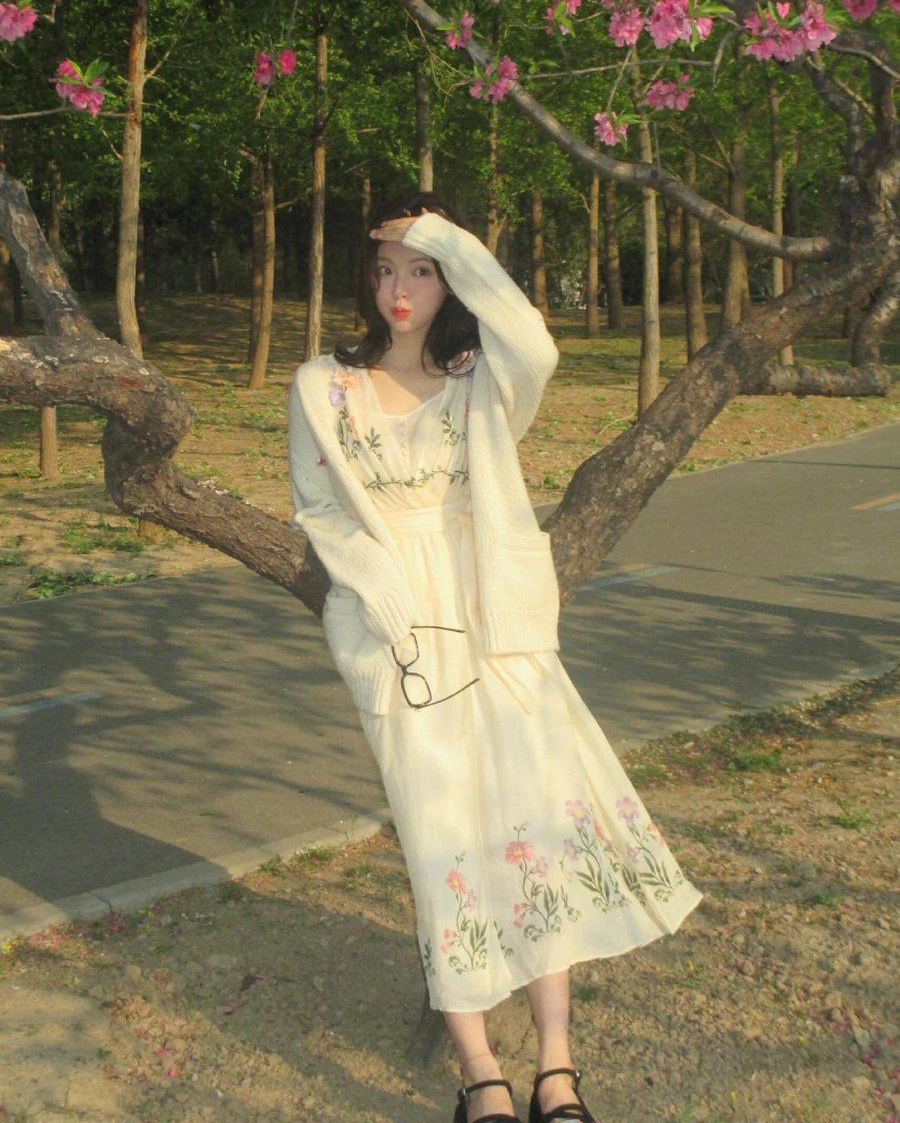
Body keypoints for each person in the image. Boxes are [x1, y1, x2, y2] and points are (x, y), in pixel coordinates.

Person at [287, 190, 702, 1123]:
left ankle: (558, 1065)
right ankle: (482, 1073)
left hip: (496, 619)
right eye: (387, 266)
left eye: (421, 269)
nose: (400, 288)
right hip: (398, 628)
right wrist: (367, 576)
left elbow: (539, 343)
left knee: (535, 827)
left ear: (452, 274)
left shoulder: (483, 377)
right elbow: (314, 507)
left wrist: (441, 233)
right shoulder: (326, 383)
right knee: (442, 843)